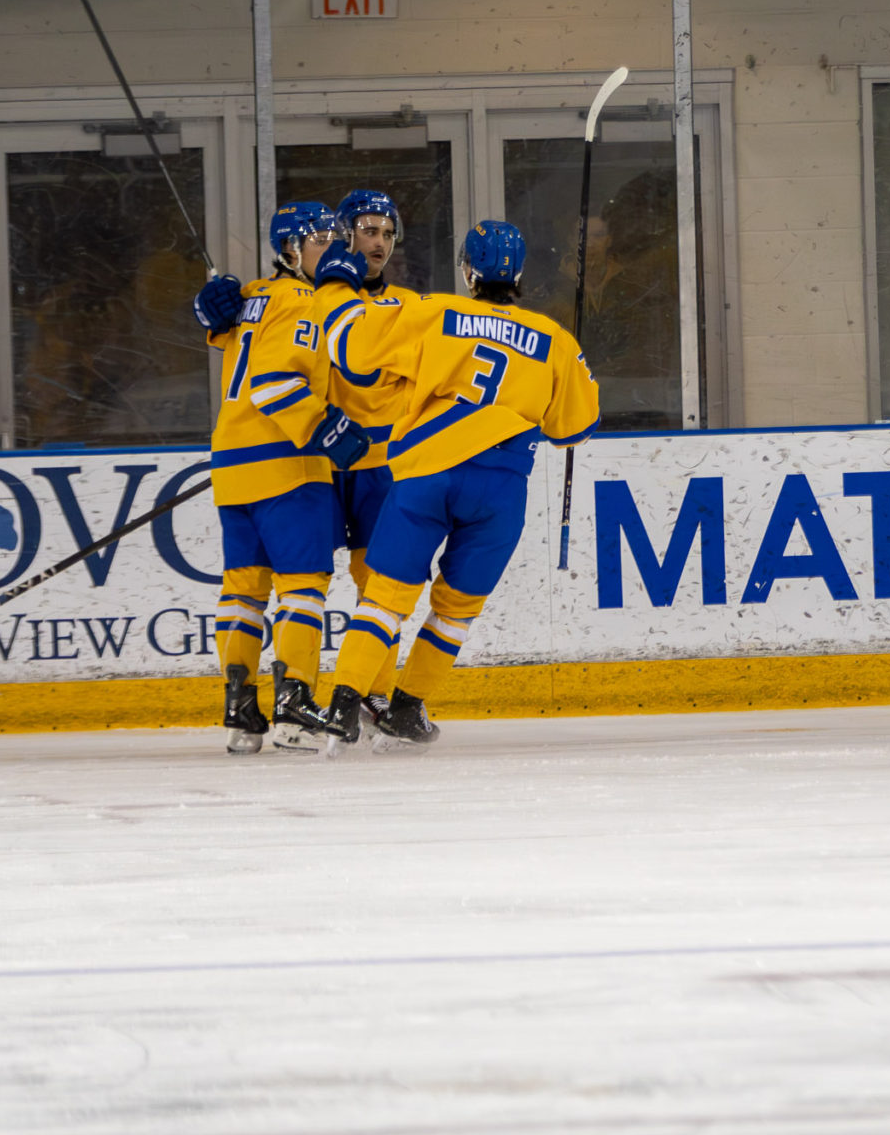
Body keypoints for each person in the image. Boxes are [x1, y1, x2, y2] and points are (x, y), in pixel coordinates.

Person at [316, 221, 602, 749]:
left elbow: (348, 352)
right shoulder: (554, 338)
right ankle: (407, 708)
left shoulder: (433, 312)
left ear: (467, 271)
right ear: (517, 273)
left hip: (427, 474)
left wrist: (338, 292)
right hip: (499, 490)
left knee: (385, 599)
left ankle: (341, 706)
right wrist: (564, 358)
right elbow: (575, 430)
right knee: (456, 608)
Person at [192, 203, 371, 752]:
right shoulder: (304, 301)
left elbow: (229, 332)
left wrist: (209, 307)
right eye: (320, 240)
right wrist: (325, 429)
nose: (334, 249)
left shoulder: (255, 295)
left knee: (243, 590)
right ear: (290, 250)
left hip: (232, 463)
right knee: (303, 586)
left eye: (337, 238)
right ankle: (294, 703)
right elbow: (273, 383)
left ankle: (240, 710)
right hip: (287, 465)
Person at [327, 188, 421, 595]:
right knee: (302, 577)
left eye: (387, 232)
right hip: (319, 461)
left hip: (382, 463)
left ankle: (376, 661)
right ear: (345, 235)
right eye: (369, 231)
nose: (379, 242)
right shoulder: (316, 300)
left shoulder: (412, 306)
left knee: (377, 580)